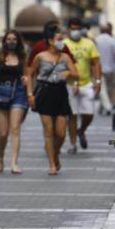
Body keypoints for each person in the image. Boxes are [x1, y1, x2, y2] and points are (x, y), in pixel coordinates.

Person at [26, 27, 78, 175]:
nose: (61, 42)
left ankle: (55, 154)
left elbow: (76, 74)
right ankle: (51, 164)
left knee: (61, 133)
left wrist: (68, 72)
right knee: (48, 131)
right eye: (59, 39)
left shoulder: (65, 57)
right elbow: (30, 74)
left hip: (61, 93)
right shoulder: (40, 56)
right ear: (50, 41)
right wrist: (30, 94)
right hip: (45, 93)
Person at [0, 30, 29, 174]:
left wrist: (26, 80)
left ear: (18, 42)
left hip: (18, 94)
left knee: (15, 129)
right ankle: (0, 157)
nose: (11, 41)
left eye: (14, 39)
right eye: (8, 39)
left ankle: (14, 163)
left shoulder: (22, 57)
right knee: (3, 133)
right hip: (1, 95)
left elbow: (27, 75)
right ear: (4, 41)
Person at [64, 17, 102, 154]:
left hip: (86, 83)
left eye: (77, 29)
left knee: (89, 114)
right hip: (69, 85)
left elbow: (96, 63)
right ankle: (73, 144)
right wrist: (71, 79)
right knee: (72, 115)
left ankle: (81, 131)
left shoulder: (89, 43)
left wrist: (98, 81)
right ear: (68, 29)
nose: (75, 31)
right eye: (72, 28)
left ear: (82, 29)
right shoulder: (63, 44)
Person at [95, 23, 115, 115]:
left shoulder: (96, 40)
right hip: (112, 67)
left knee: (103, 89)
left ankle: (105, 107)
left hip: (100, 68)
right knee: (111, 88)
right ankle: (110, 105)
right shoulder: (114, 40)